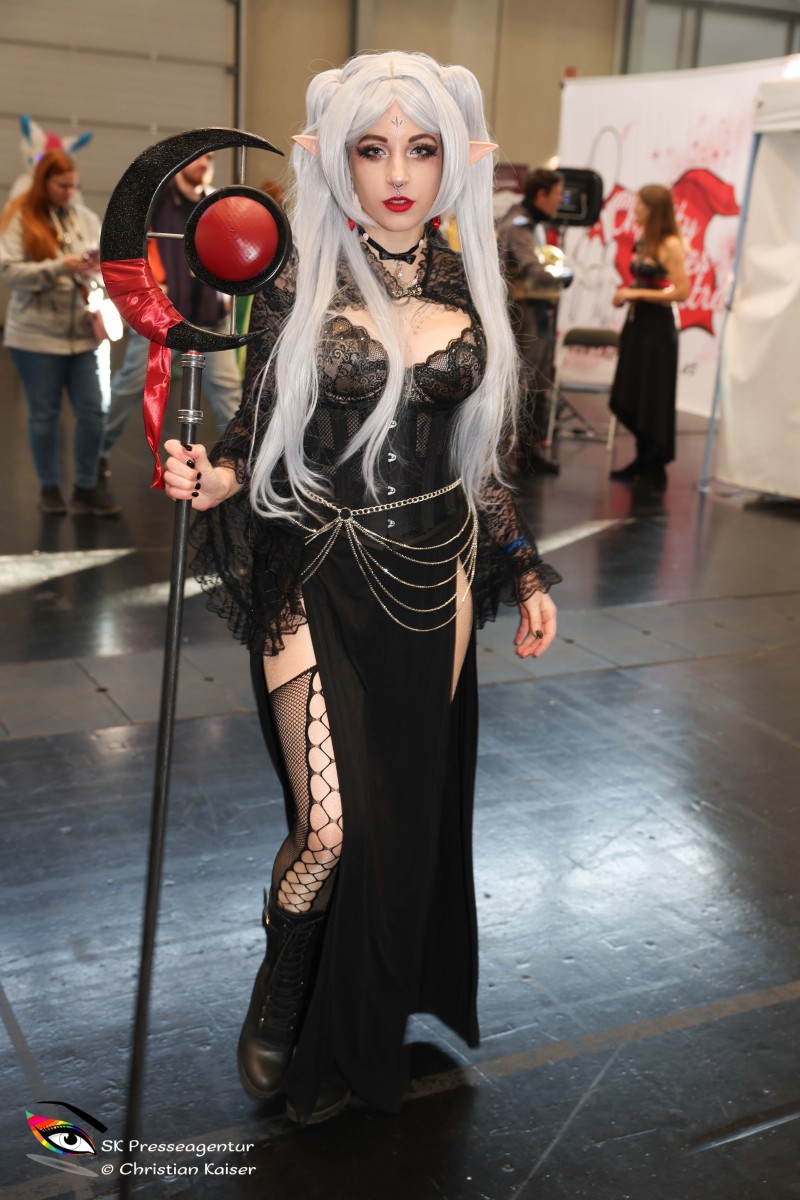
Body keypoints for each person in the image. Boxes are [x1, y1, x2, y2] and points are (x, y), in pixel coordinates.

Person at [162, 50, 560, 1126]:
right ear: (336, 159)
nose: (396, 173)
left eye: (420, 149)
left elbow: (481, 462)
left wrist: (522, 569)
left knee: (397, 817)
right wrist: (211, 477)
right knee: (329, 828)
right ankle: (285, 979)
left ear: (451, 162)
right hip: (313, 566)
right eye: (371, 149)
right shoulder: (297, 278)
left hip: (436, 576)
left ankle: (366, 1017)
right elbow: (252, 431)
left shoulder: (472, 285)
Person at [99, 152, 242, 478]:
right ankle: (95, 455)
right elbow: (128, 242)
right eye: (198, 157)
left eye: (210, 158)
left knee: (229, 395)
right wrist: (144, 287)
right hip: (162, 320)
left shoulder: (214, 203)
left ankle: (241, 468)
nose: (204, 163)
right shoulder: (156, 200)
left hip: (209, 319)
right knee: (129, 386)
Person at [0, 150, 118, 515]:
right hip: (35, 338)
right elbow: (9, 272)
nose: (70, 192)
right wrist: (58, 268)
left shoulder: (85, 218)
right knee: (44, 415)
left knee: (94, 412)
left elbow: (108, 270)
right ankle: (49, 488)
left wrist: (95, 267)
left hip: (84, 334)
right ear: (44, 182)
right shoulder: (19, 218)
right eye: (62, 186)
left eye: (74, 186)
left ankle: (85, 488)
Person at [608, 184, 689, 488]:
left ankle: (655, 464)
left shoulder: (670, 244)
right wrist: (627, 295)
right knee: (634, 389)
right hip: (638, 324)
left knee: (653, 392)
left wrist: (636, 294)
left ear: (654, 210)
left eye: (640, 205)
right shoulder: (645, 241)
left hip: (658, 329)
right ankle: (642, 458)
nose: (635, 210)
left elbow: (682, 291)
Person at [496, 167, 566, 476]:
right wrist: (564, 273)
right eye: (557, 194)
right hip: (523, 315)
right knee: (523, 385)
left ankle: (528, 453)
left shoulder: (525, 221)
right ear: (541, 195)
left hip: (529, 313)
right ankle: (515, 457)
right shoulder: (520, 224)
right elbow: (534, 269)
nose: (560, 201)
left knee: (532, 384)